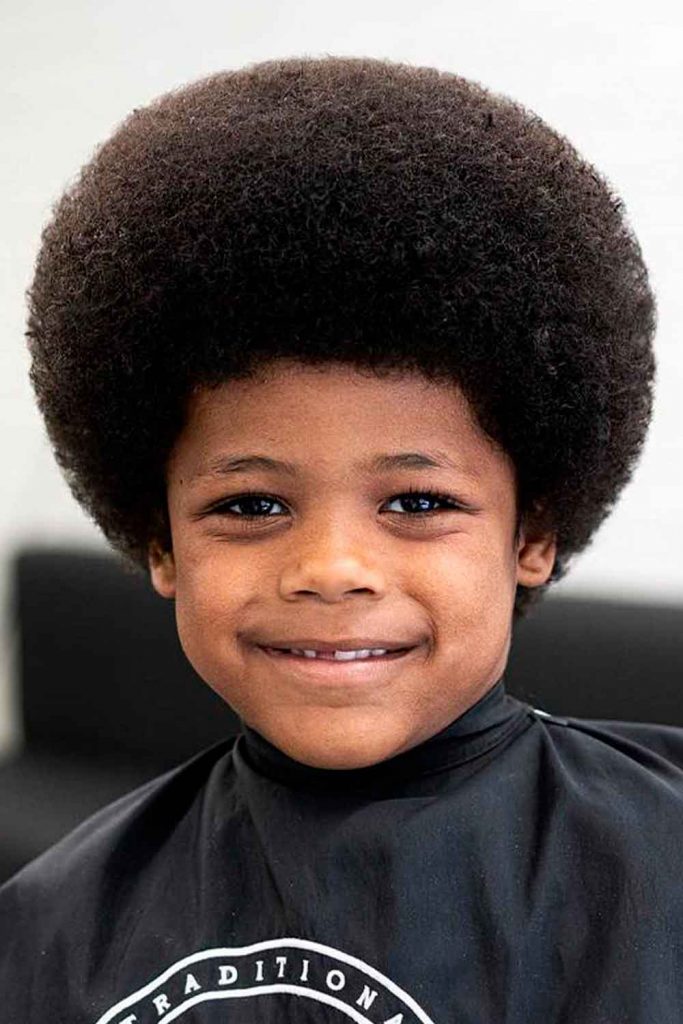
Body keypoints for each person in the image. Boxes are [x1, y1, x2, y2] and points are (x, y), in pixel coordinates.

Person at [1, 54, 680, 1023]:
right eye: (251, 506)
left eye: (414, 502)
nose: (329, 568)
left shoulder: (658, 867)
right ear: (161, 543)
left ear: (530, 532)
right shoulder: (46, 932)